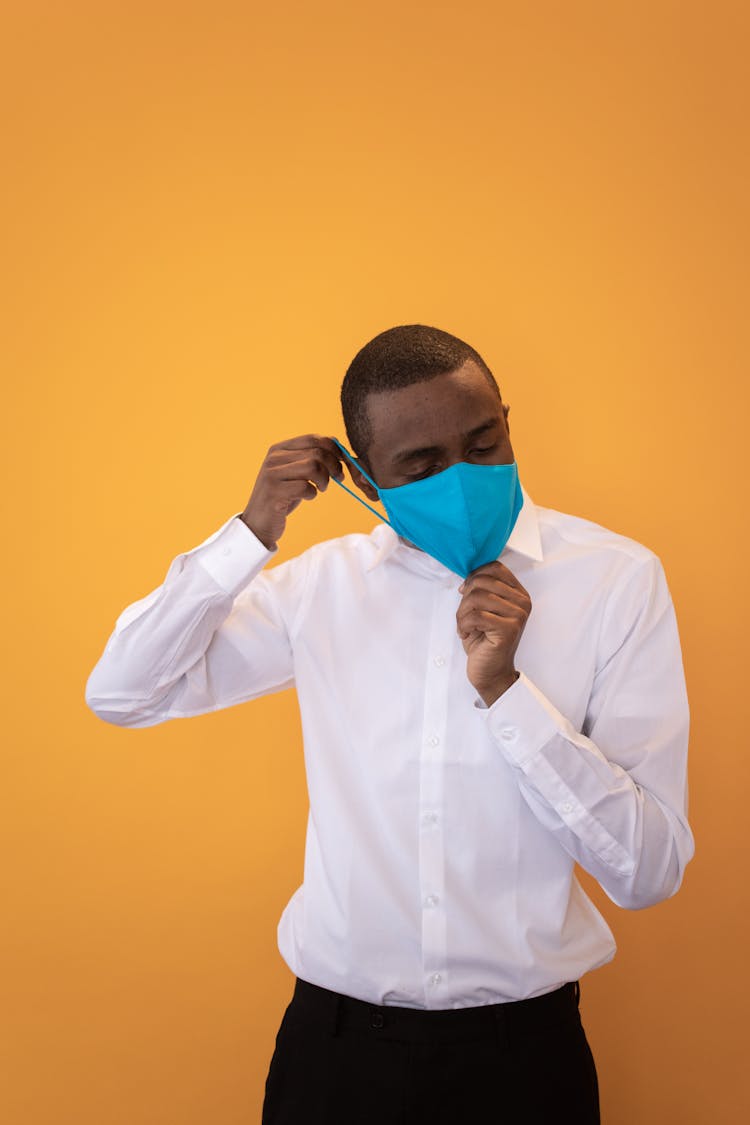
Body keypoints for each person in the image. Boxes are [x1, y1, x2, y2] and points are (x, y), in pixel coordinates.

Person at [85, 324, 694, 1124]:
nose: (465, 476)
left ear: (507, 420)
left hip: (526, 1064)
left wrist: (508, 692)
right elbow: (124, 691)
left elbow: (649, 872)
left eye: (484, 441)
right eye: (423, 465)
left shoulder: (618, 581)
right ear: (367, 480)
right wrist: (250, 533)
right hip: (336, 1059)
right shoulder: (319, 591)